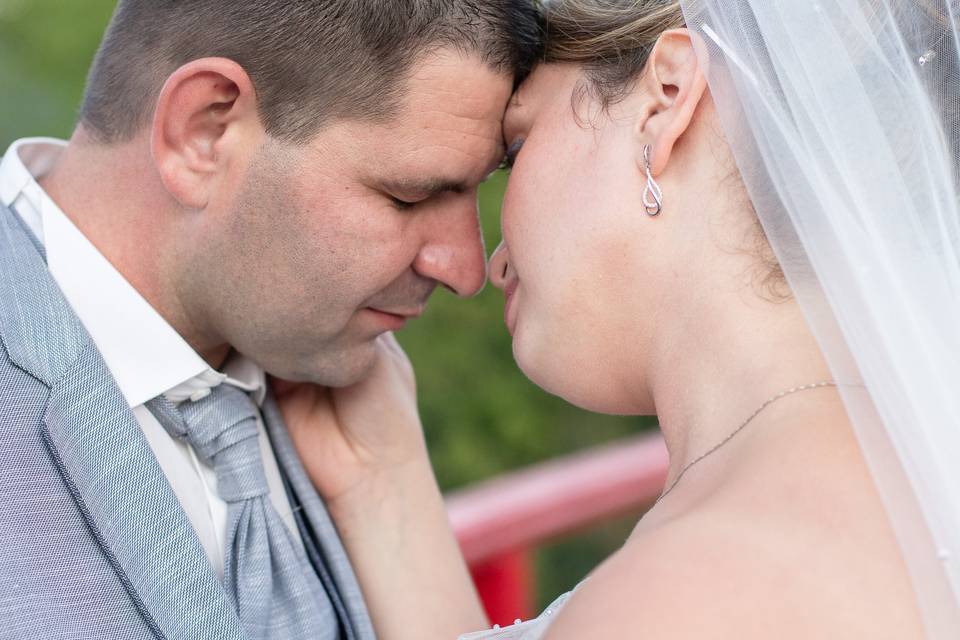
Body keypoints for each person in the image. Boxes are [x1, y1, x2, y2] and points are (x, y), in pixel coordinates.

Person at [287, 0, 960, 638]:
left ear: (667, 98)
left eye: (517, 150)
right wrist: (383, 479)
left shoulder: (694, 592)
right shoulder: (874, 486)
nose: (488, 264)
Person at [0, 1, 541, 639]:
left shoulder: (327, 381)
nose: (465, 270)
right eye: (409, 196)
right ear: (204, 129)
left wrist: (388, 490)